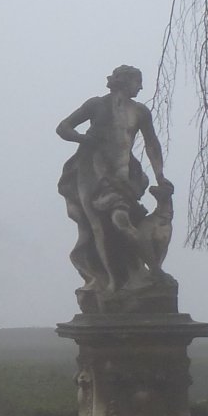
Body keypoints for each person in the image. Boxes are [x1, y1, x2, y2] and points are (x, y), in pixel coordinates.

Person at [56, 65, 173, 306]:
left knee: (122, 221)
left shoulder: (140, 112)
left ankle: (151, 272)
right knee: (98, 227)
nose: (140, 87)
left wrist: (160, 176)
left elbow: (152, 145)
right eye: (137, 82)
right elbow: (63, 127)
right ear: (124, 81)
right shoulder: (96, 105)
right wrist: (83, 138)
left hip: (123, 176)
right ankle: (111, 282)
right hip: (92, 172)